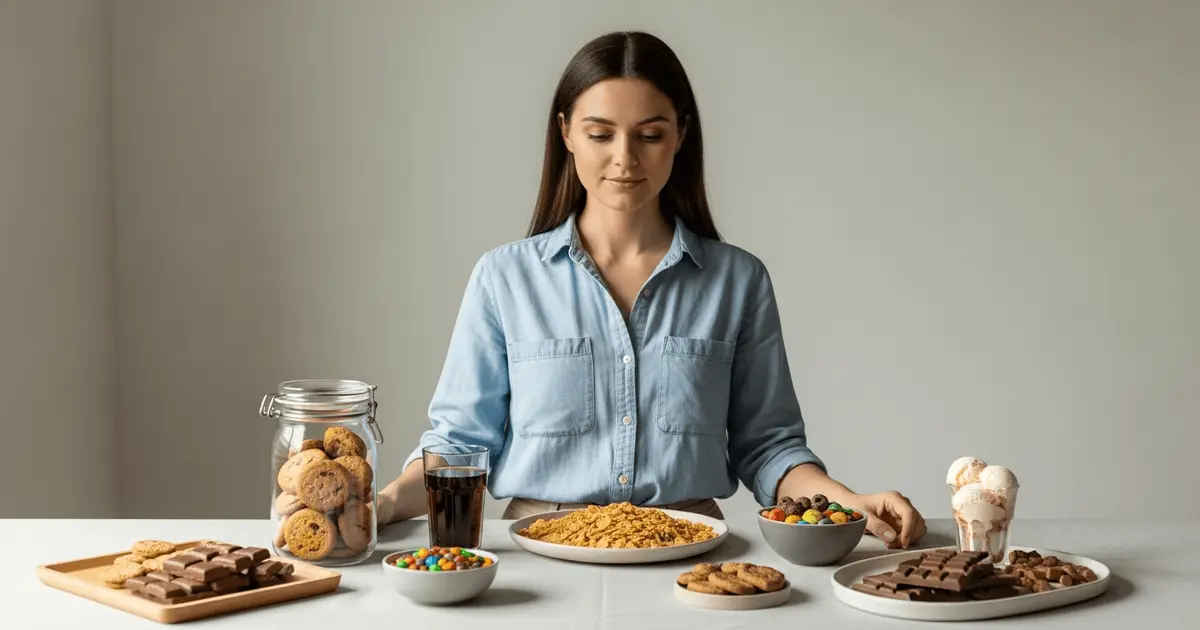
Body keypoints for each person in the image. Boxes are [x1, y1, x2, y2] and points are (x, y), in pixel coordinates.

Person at [377, 30, 927, 549]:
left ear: (680, 134)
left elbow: (769, 447)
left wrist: (849, 502)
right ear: (566, 133)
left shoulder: (738, 281)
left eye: (650, 135)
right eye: (600, 134)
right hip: (540, 554)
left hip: (692, 553)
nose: (625, 157)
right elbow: (459, 446)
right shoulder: (504, 278)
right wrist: (377, 506)